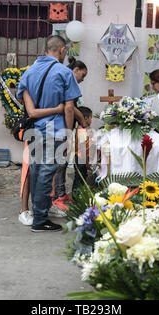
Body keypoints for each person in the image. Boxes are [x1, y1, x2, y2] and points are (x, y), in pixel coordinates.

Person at [17, 35, 81, 232]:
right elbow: (69, 108)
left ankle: (38, 213)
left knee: (37, 170)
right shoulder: (64, 72)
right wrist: (69, 135)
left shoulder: (29, 72)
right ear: (62, 50)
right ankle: (40, 220)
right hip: (55, 130)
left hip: (36, 129)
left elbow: (27, 105)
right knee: (46, 172)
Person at [18, 99, 64, 226]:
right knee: (28, 171)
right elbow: (31, 112)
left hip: (50, 132)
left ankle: (47, 206)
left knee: (49, 171)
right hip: (34, 132)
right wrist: (58, 109)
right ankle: (24, 210)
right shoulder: (34, 89)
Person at [51, 57, 88, 210]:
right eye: (83, 75)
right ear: (76, 70)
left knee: (64, 162)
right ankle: (56, 197)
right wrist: (70, 131)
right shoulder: (66, 81)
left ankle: (61, 193)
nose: (83, 79)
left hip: (65, 129)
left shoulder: (67, 83)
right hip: (60, 129)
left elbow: (73, 108)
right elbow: (69, 108)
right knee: (59, 164)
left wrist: (80, 120)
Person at [72, 106, 93, 193]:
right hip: (81, 158)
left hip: (81, 157)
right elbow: (83, 147)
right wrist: (87, 162)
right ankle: (76, 196)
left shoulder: (82, 129)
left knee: (82, 176)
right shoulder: (82, 131)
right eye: (90, 118)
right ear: (85, 118)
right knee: (79, 177)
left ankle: (80, 194)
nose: (91, 120)